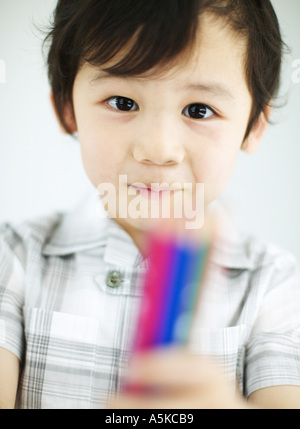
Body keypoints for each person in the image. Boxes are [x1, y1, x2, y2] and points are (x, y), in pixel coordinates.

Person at [0, 0, 300, 409]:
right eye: (122, 102)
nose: (158, 148)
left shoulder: (276, 287)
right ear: (66, 108)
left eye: (199, 110)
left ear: (252, 127)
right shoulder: (12, 259)